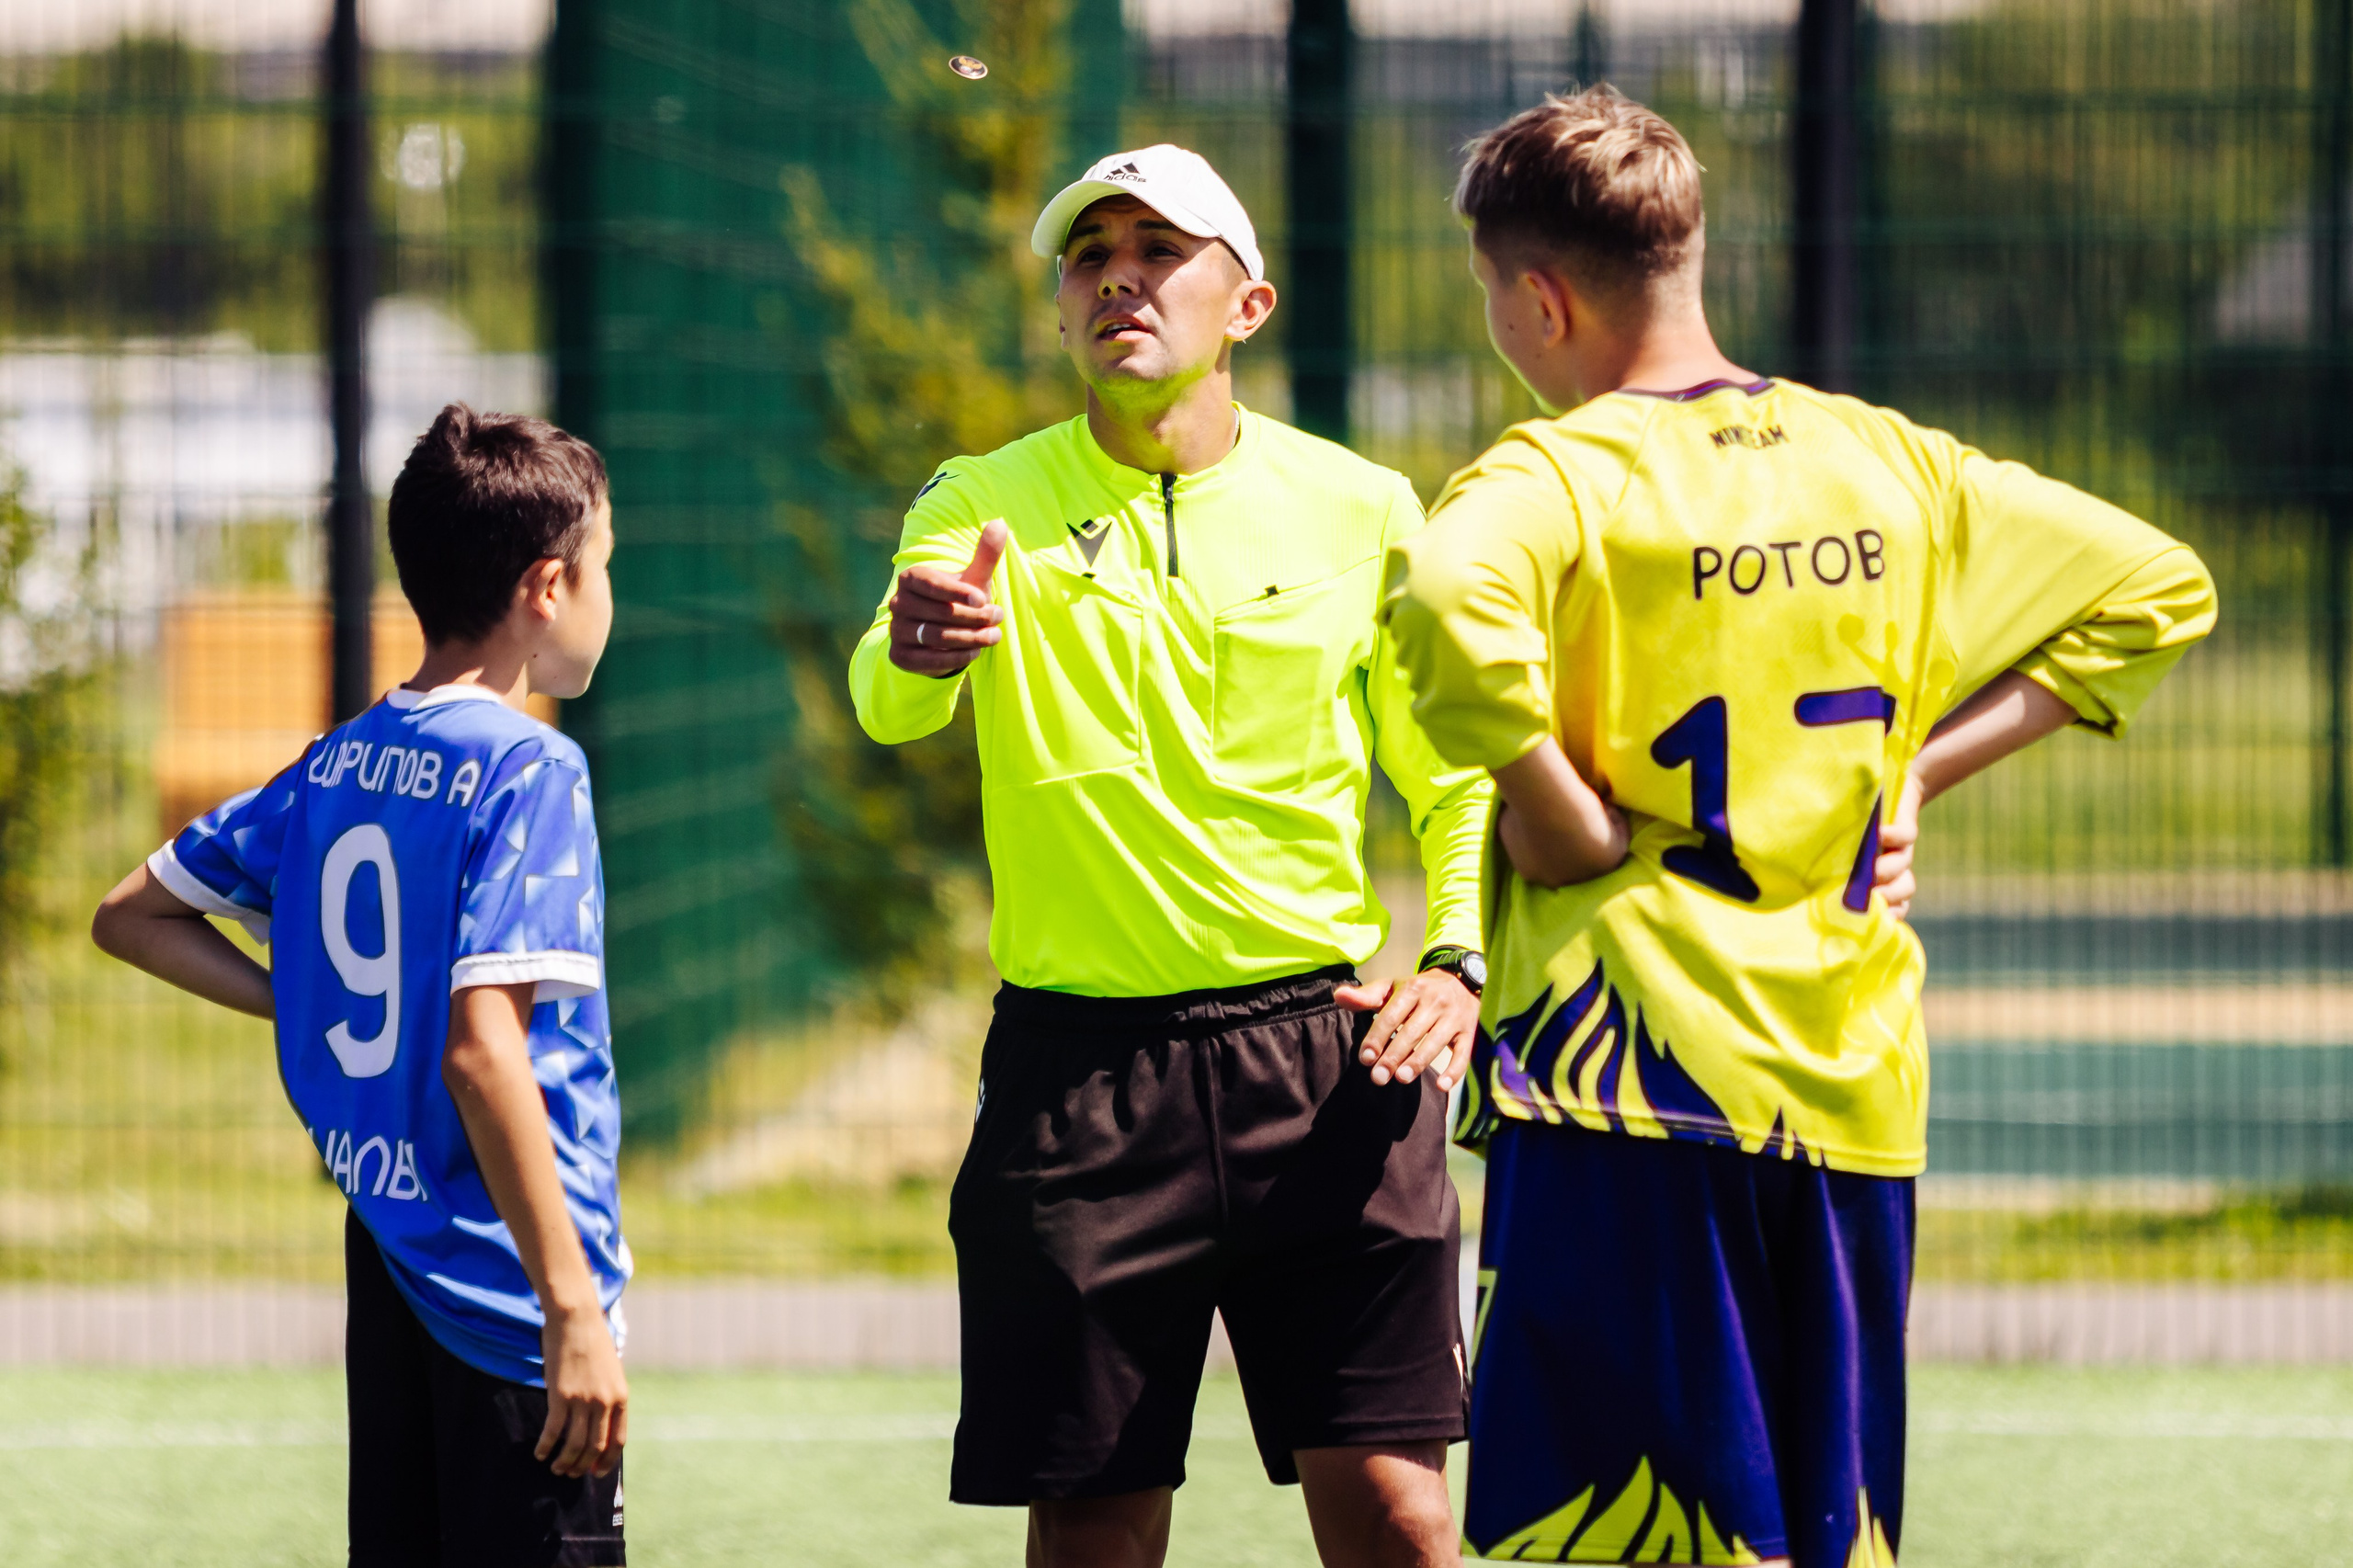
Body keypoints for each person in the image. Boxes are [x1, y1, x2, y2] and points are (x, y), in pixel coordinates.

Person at [1381, 89, 2216, 1567]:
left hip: (1625, 1088)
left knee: (1612, 1538)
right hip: (1846, 1086)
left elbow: (1446, 607)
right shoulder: (1890, 460)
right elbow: (2159, 586)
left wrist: (1550, 807)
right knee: (1823, 1531)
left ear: (1541, 296)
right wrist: (1918, 773)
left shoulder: (1554, 474)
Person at [848, 143, 1493, 1568]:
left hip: (1327, 1068)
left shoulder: (1369, 505)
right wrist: (913, 649)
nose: (1119, 274)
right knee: (1093, 1530)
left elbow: (1452, 775)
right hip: (1078, 1085)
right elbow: (888, 695)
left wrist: (1455, 955)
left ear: (1246, 304)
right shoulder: (975, 501)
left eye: (1162, 247)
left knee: (1399, 1518)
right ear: (1064, 305)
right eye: (1090, 254)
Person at [92, 405, 630, 1568]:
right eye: (604, 571)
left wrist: (306, 999)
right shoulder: (532, 767)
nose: (607, 600)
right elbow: (485, 1052)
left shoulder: (340, 757)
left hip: (388, 1258)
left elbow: (131, 913)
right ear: (547, 587)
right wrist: (571, 1306)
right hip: (502, 1284)